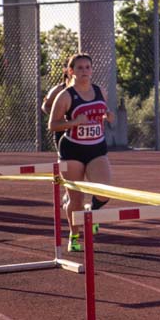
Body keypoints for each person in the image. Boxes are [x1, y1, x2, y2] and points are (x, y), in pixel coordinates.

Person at [48, 53, 115, 252]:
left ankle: (92, 212)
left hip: (97, 148)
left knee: (104, 191)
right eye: (80, 68)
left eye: (87, 67)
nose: (84, 71)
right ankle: (74, 235)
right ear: (71, 71)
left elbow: (103, 111)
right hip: (72, 150)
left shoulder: (100, 91)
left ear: (92, 70)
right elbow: (53, 125)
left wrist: (108, 116)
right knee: (75, 199)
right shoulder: (66, 95)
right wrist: (73, 123)